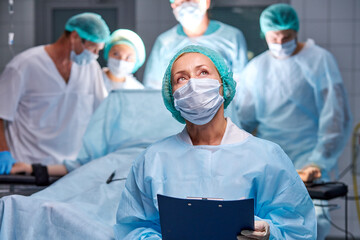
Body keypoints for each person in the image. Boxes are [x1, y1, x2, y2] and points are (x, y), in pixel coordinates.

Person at [114, 45, 316, 239]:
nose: (193, 84)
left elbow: (298, 229)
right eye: (181, 78)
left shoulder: (266, 156)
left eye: (203, 73)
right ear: (172, 95)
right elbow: (133, 227)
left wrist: (270, 235)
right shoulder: (152, 160)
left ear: (223, 84)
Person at [234, 4, 352, 240]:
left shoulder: (319, 60)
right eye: (273, 36)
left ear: (296, 31)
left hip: (310, 159)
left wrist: (317, 161)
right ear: (264, 34)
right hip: (270, 159)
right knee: (268, 224)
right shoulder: (257, 67)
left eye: (285, 36)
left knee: (312, 223)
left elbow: (335, 117)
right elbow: (244, 119)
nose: (279, 41)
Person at [0, 13, 110, 175]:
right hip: (25, 168)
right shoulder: (24, 66)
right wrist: (3, 152)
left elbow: (102, 114)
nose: (95, 55)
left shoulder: (91, 68)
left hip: (70, 170)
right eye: (93, 48)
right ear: (75, 36)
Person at [142, 0, 248, 89]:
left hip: (222, 111)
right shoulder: (165, 42)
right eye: (182, 1)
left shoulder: (231, 36)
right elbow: (153, 88)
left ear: (207, 2)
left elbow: (242, 87)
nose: (187, 4)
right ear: (173, 5)